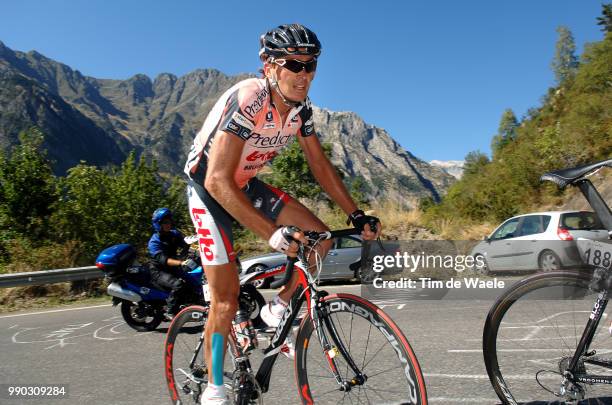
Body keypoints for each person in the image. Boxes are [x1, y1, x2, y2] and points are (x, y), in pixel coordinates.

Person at [184, 24, 381, 404]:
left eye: (311, 65)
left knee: (319, 239)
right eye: (294, 64)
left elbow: (320, 165)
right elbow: (217, 180)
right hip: (208, 189)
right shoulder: (250, 98)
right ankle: (213, 388)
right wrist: (272, 233)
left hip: (244, 185)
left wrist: (355, 214)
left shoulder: (300, 109)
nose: (304, 74)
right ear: (269, 66)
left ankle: (276, 307)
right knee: (224, 299)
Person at [147, 208, 195, 318]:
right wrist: (181, 263)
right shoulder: (154, 242)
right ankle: (170, 310)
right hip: (158, 271)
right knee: (178, 284)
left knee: (193, 280)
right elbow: (165, 260)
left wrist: (193, 250)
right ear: (158, 224)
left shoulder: (174, 234)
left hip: (172, 267)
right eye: (165, 222)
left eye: (169, 221)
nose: (168, 224)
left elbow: (185, 244)